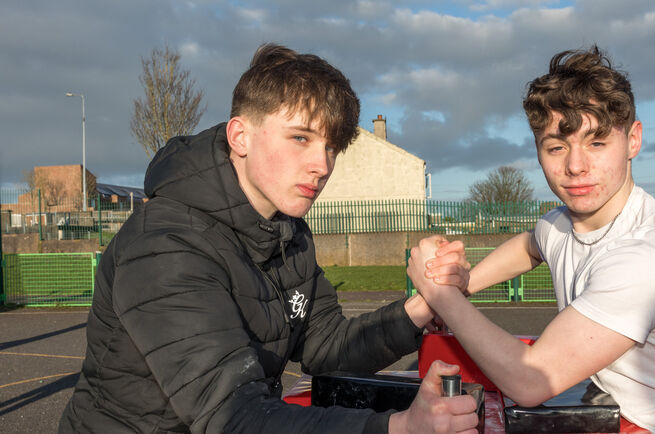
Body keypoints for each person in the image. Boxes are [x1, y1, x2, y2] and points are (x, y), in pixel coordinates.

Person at [60, 43, 478, 434]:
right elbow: (234, 416)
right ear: (240, 136)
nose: (321, 165)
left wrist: (421, 308)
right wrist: (398, 427)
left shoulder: (286, 231)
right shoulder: (164, 246)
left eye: (332, 147)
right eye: (300, 138)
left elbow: (327, 345)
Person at [408, 46, 655, 433]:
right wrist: (465, 284)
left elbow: (531, 381)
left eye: (597, 142)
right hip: (615, 413)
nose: (576, 166)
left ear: (633, 140)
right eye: (557, 147)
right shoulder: (565, 222)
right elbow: (531, 245)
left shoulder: (647, 258)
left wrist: (441, 296)